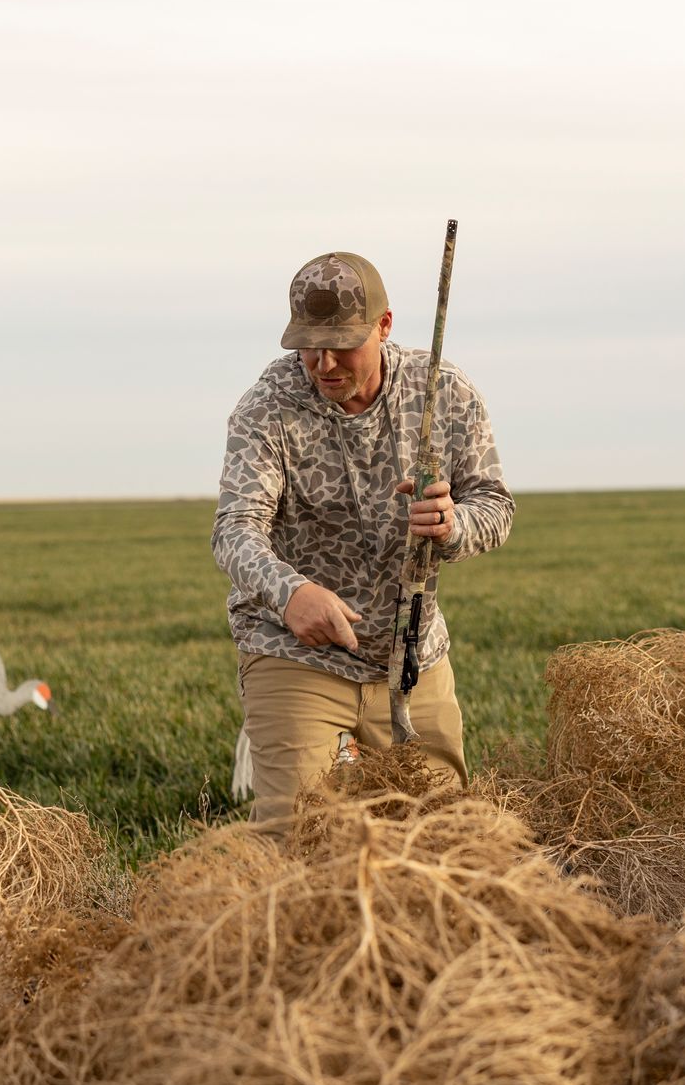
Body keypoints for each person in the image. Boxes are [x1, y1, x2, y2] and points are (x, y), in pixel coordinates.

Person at [214, 250, 515, 828]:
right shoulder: (265, 409)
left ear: (385, 326)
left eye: (341, 344)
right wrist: (292, 593)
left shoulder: (444, 394)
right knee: (296, 834)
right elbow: (235, 530)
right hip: (294, 653)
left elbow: (496, 509)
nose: (322, 362)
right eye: (307, 344)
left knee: (447, 835)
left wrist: (452, 525)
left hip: (412, 657)